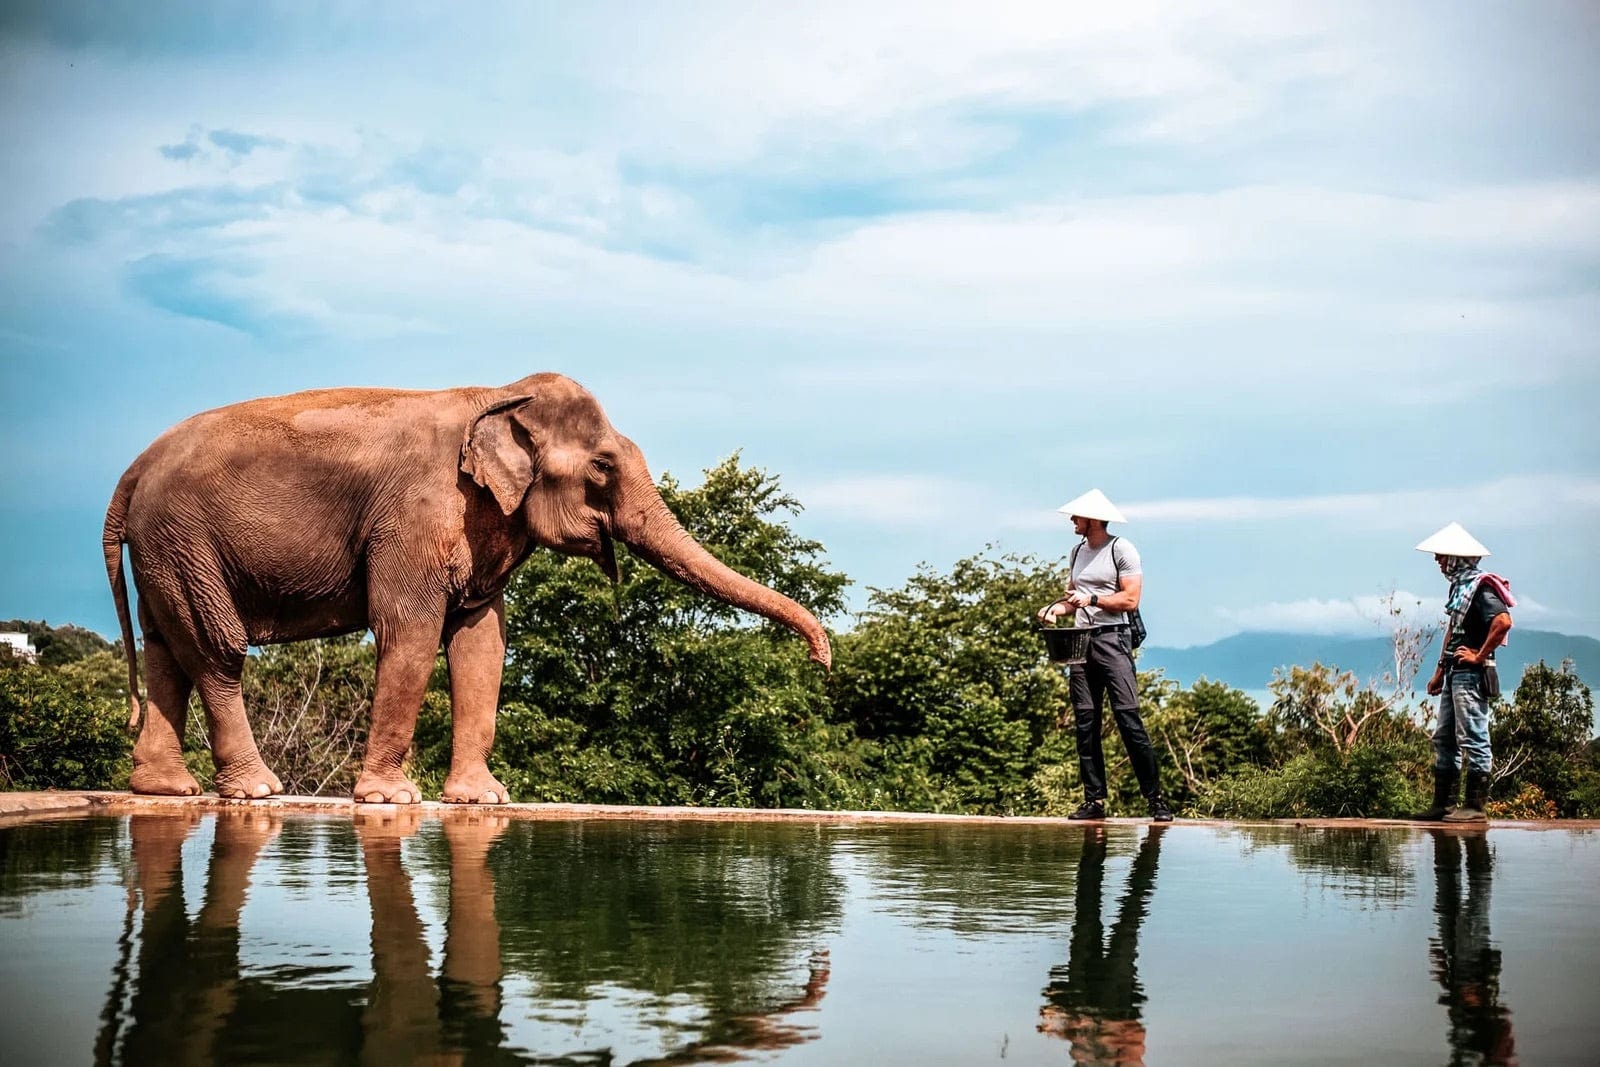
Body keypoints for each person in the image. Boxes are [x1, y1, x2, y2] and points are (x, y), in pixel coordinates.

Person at [1037, 489, 1173, 822]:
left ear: (1093, 519)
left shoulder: (1120, 549)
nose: (1072, 520)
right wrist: (1056, 609)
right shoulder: (1076, 551)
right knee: (1086, 722)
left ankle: (1155, 800)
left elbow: (1130, 600)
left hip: (1114, 640)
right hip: (1081, 644)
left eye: (1077, 516)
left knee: (1128, 719)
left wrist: (1094, 600)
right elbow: (1075, 599)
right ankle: (1094, 801)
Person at [1410, 523, 1515, 823]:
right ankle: (1443, 805)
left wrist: (1478, 655)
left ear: (1457, 558)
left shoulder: (1481, 588)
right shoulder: (1461, 589)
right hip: (1456, 671)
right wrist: (1440, 670)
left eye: (1442, 556)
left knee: (1473, 736)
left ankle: (1474, 807)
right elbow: (1453, 630)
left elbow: (1503, 622)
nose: (1438, 562)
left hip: (1471, 674)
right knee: (1444, 737)